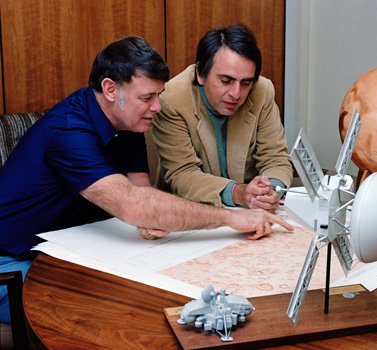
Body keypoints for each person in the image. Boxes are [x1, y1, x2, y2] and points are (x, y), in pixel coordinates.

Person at [0, 36, 293, 324]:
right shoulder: (68, 132)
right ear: (110, 89)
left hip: (63, 249)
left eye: (158, 94)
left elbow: (142, 194)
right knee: (105, 314)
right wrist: (230, 218)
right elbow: (135, 204)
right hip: (11, 262)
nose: (158, 106)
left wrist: (154, 218)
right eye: (147, 97)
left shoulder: (130, 122)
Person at [153, 23, 293, 213]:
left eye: (246, 83)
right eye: (226, 81)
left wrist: (270, 191)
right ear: (200, 74)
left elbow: (275, 158)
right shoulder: (171, 99)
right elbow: (182, 174)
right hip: (191, 211)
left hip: (250, 209)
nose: (236, 94)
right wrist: (238, 192)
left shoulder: (262, 90)